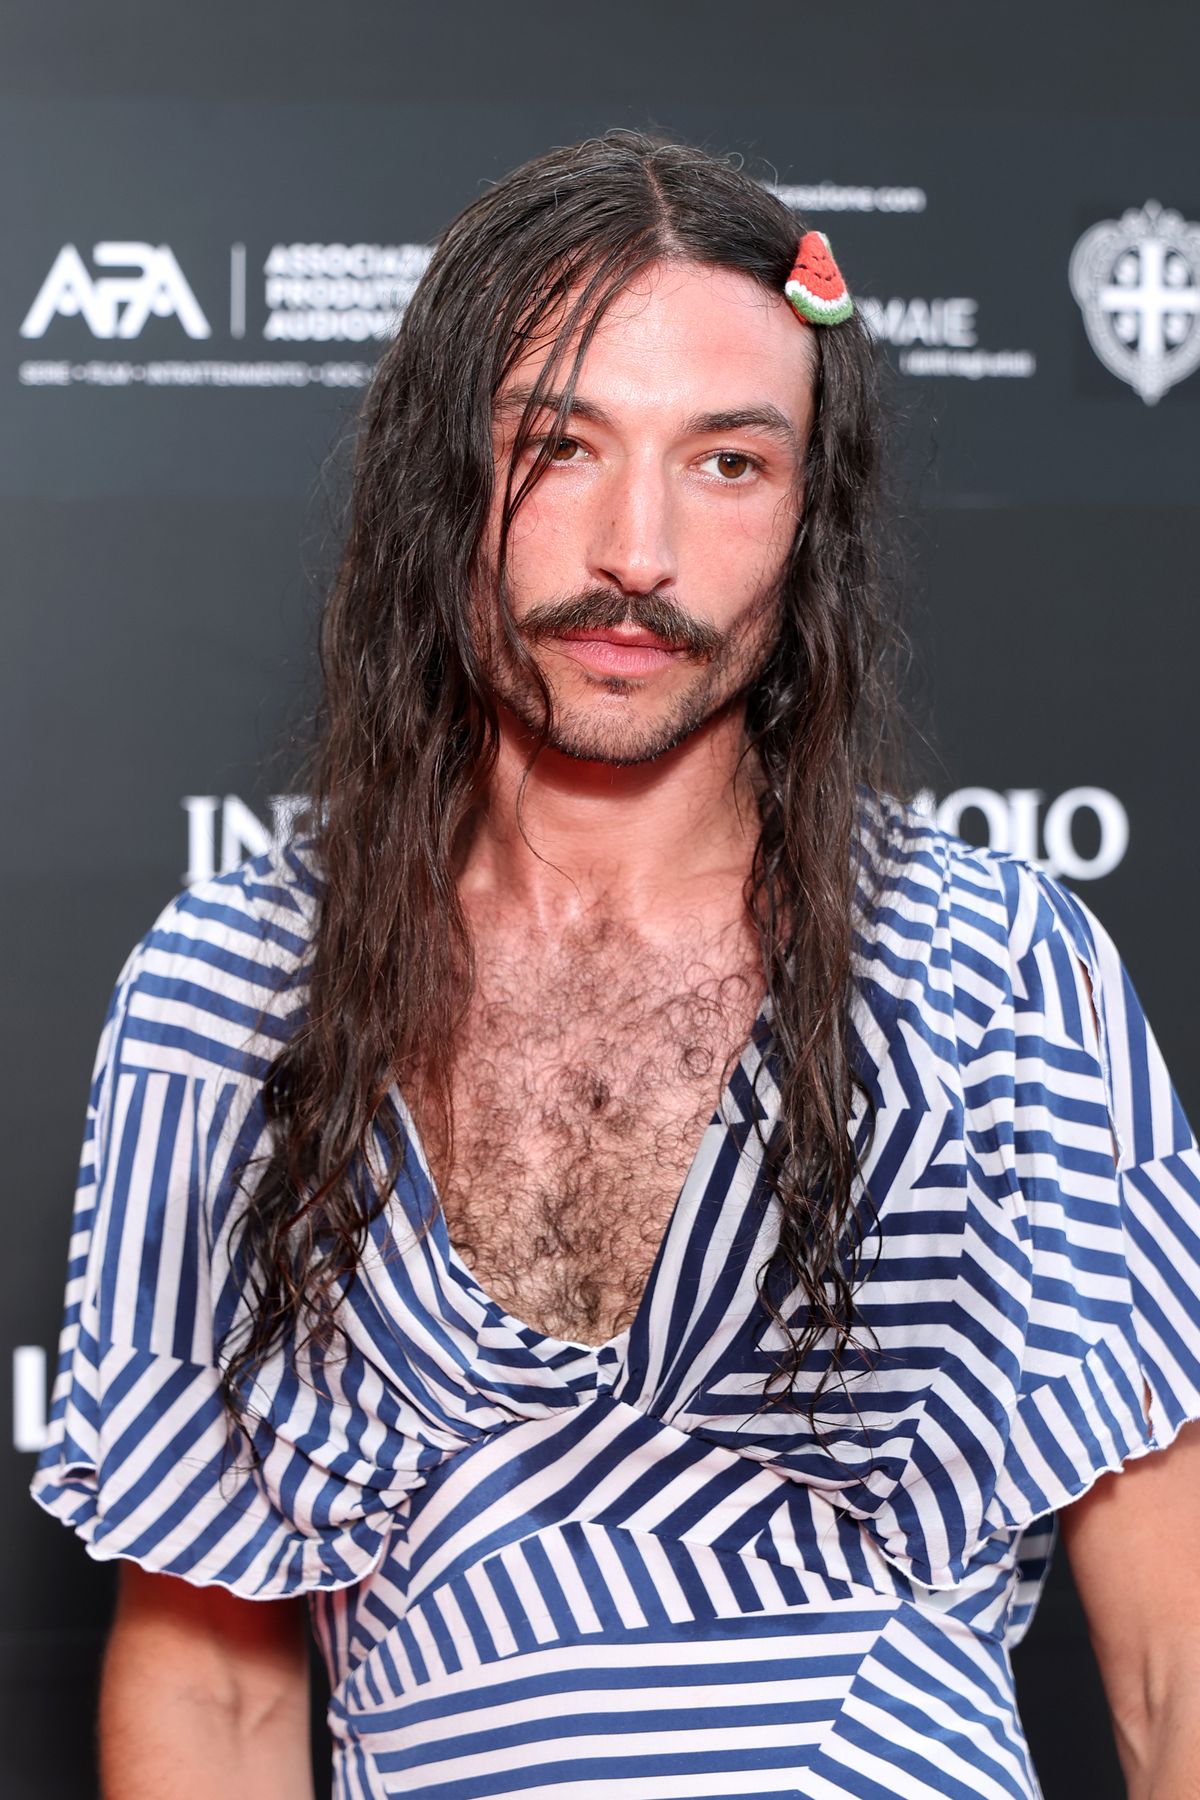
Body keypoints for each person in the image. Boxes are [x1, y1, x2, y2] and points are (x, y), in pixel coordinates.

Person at [31, 128, 1200, 1800]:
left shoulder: (999, 975)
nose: (635, 553)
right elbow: (214, 1695)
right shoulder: (236, 992)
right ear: (447, 477)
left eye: (728, 462)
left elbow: (1174, 1665)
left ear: (810, 520)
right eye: (561, 447)